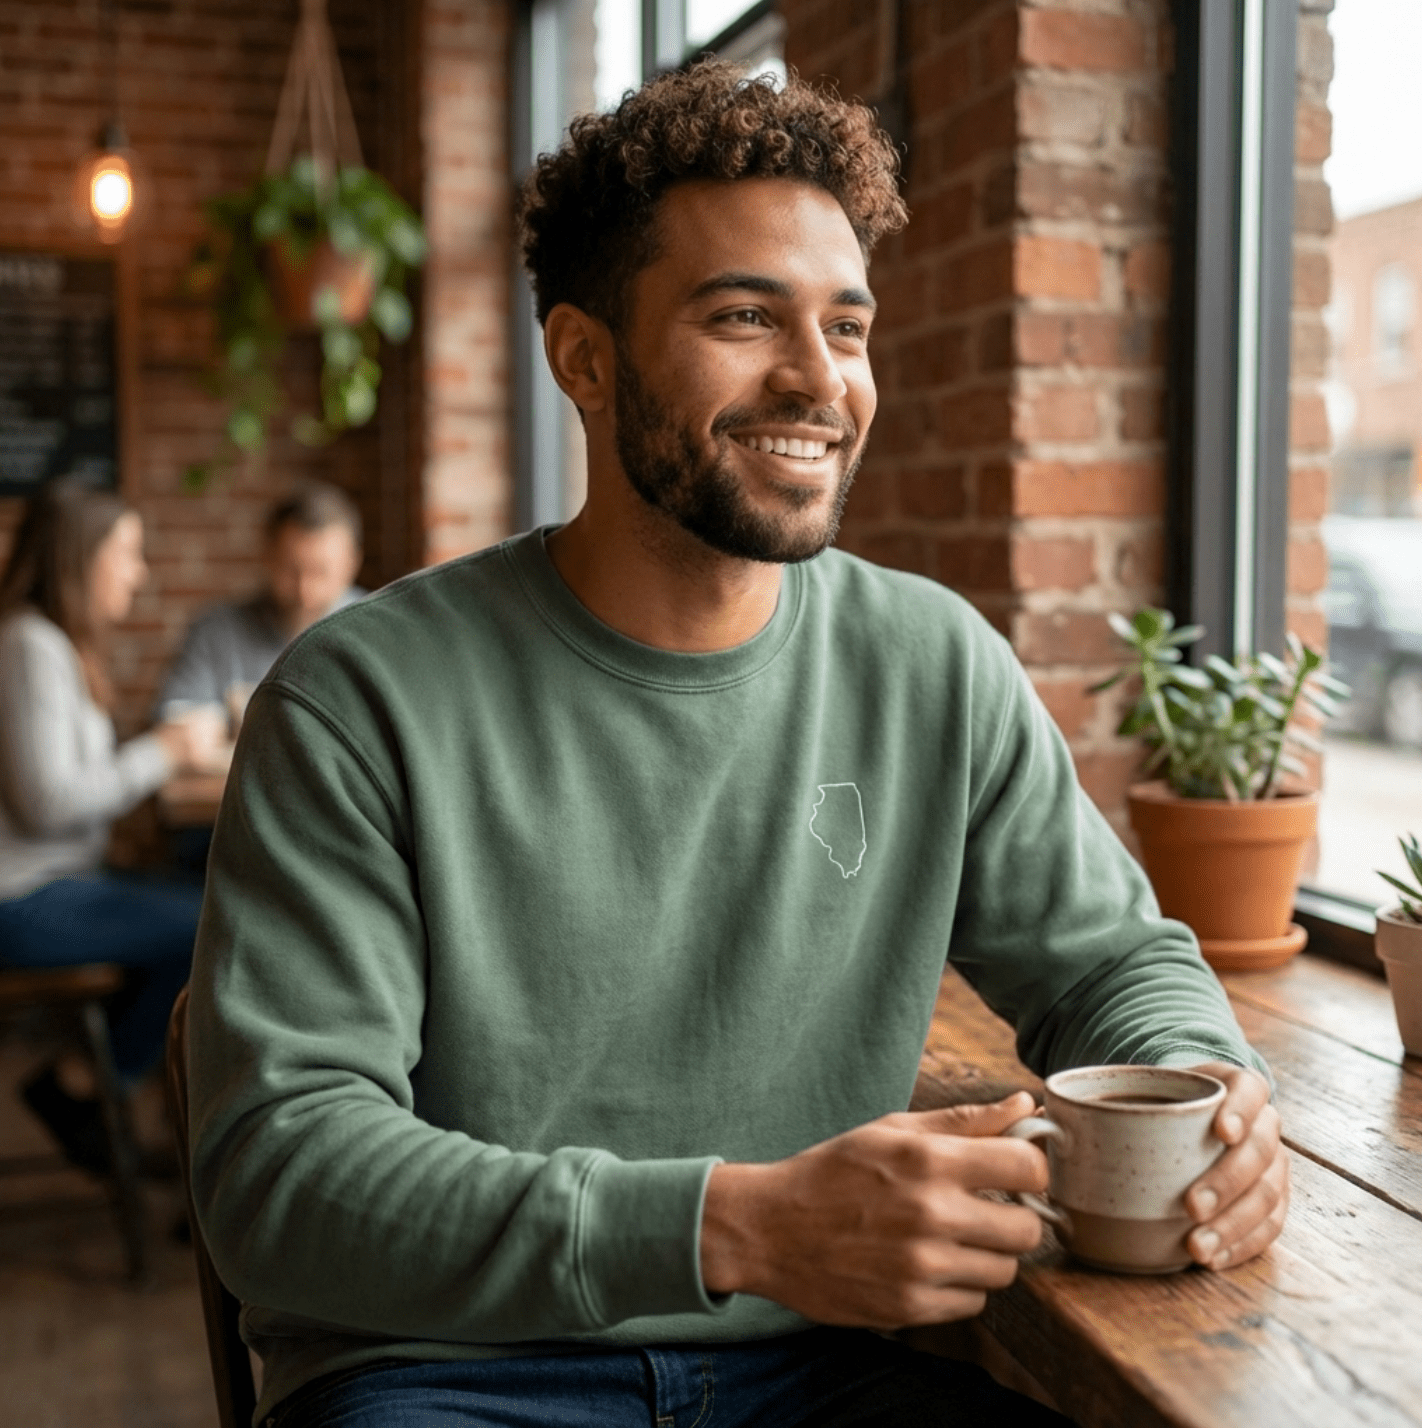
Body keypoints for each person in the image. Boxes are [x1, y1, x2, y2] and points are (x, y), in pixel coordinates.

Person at [187, 64, 1288, 1428]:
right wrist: (736, 1230)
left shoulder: (935, 667)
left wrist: (1216, 1096)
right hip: (451, 1372)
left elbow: (1116, 964)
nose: (818, 380)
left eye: (846, 325)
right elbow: (281, 1181)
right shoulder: (356, 701)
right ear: (582, 358)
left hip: (824, 1366)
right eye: (741, 317)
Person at [0, 478, 213, 1173]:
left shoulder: (47, 645)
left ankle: (104, 1093)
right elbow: (51, 802)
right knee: (214, 920)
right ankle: (83, 1088)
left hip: (58, 882)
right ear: (79, 557)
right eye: (126, 552)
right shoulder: (29, 646)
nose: (138, 571)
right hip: (24, 899)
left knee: (199, 883)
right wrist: (166, 752)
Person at [156, 481, 364, 722]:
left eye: (320, 573)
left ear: (352, 564)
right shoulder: (216, 632)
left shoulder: (377, 635)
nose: (304, 592)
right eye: (291, 570)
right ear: (268, 558)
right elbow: (176, 722)